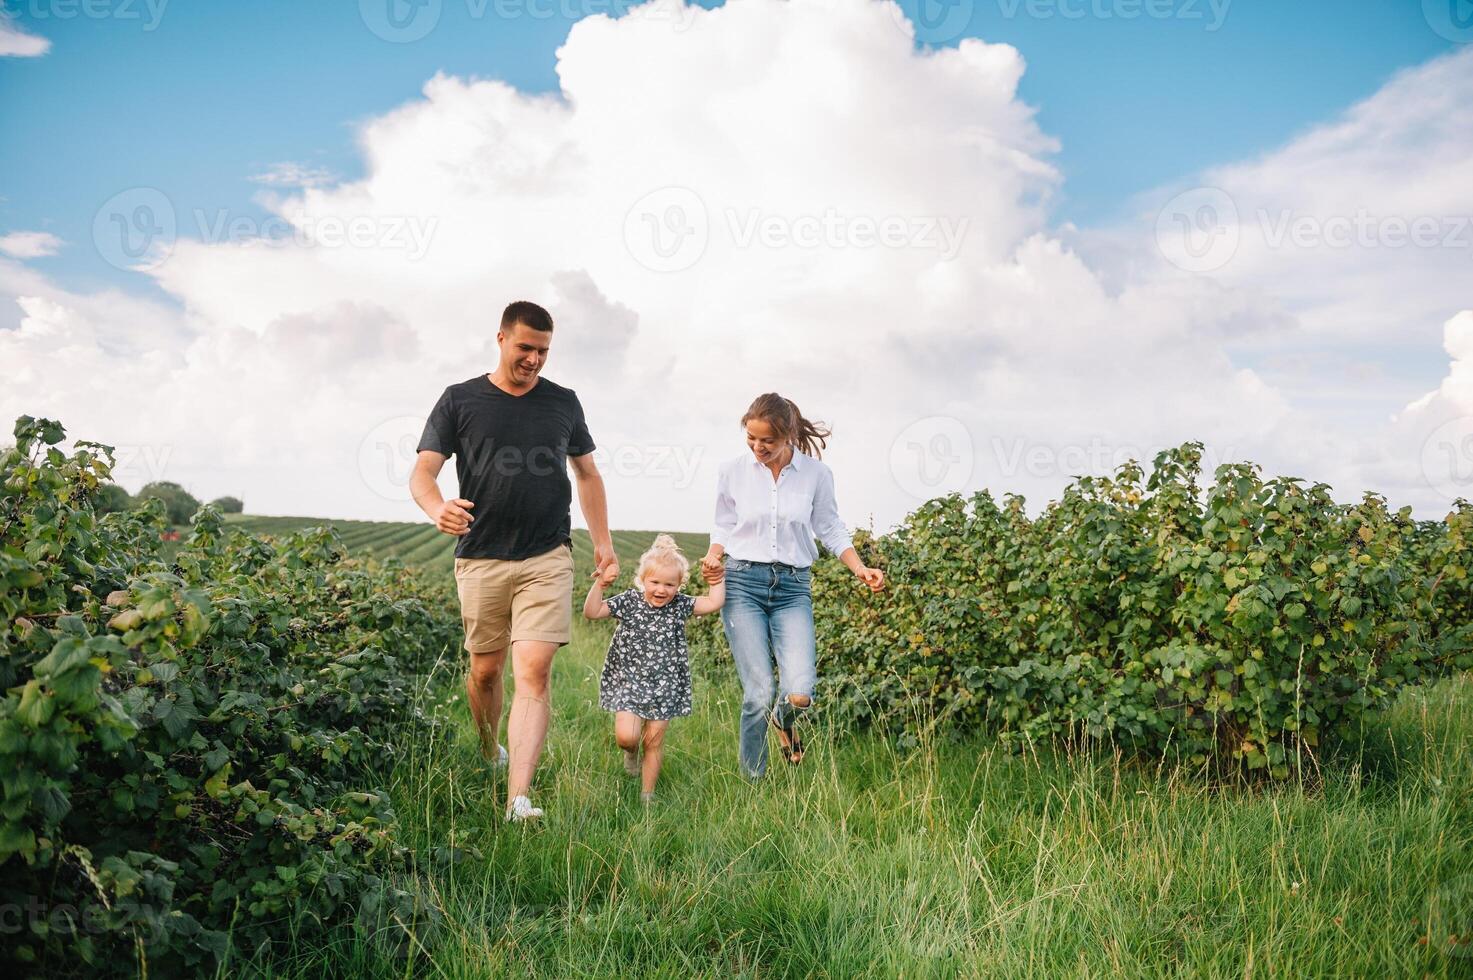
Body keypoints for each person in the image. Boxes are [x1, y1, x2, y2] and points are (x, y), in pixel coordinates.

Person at [410, 300, 618, 823]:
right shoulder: (459, 400)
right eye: (525, 347)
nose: (534, 359)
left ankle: (517, 798)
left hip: (547, 554)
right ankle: (487, 748)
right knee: (485, 671)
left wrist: (604, 541)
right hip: (480, 556)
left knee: (534, 669)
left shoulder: (563, 403)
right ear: (501, 339)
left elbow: (588, 475)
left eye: (543, 351)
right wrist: (438, 508)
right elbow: (422, 473)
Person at [699, 393, 885, 780]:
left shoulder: (817, 475)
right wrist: (715, 554)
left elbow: (830, 527)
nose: (757, 447)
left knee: (800, 692)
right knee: (759, 692)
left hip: (792, 588)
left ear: (787, 435)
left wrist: (859, 567)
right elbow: (724, 523)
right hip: (742, 583)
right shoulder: (731, 471)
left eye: (767, 440)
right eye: (751, 438)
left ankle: (783, 722)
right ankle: (754, 780)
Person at [583, 534, 725, 803]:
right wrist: (600, 584)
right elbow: (592, 612)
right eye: (655, 582)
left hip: (666, 684)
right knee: (627, 737)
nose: (662, 590)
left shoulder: (679, 606)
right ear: (642, 580)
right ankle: (630, 753)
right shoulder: (629, 601)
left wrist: (716, 580)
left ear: (679, 585)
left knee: (654, 742)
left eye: (670, 584)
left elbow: (714, 603)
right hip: (628, 680)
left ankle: (647, 797)